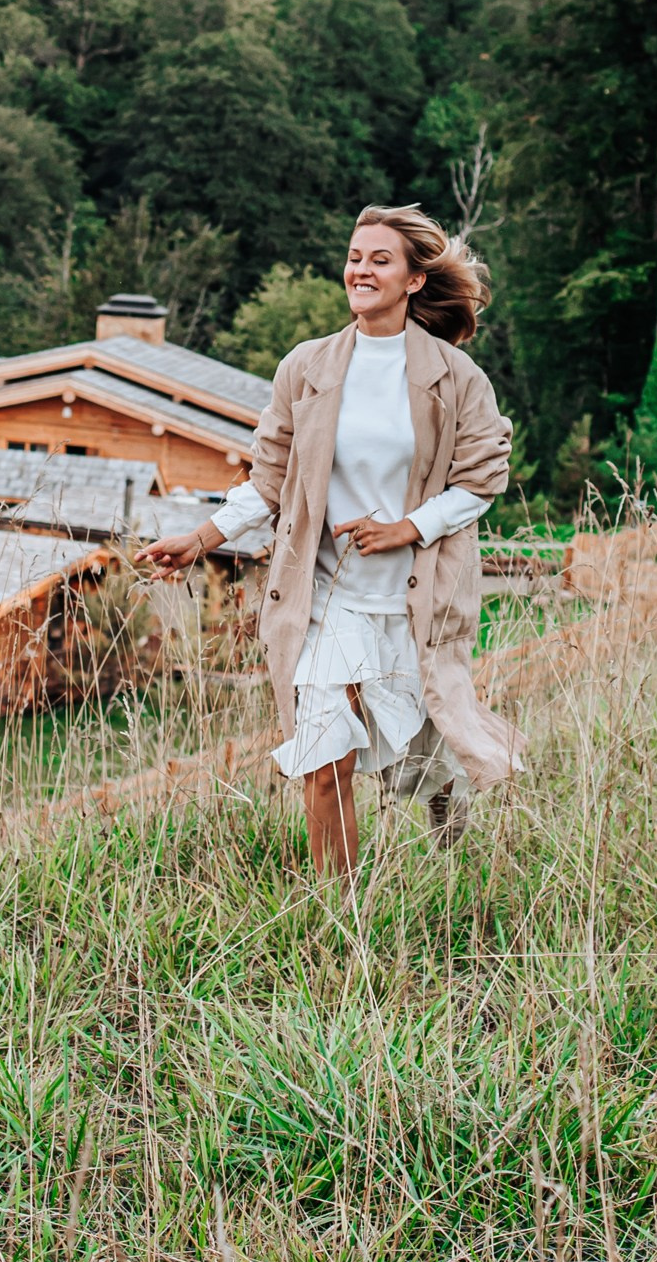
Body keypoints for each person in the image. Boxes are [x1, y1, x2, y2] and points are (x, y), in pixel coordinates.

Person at [139, 204, 521, 876]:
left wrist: (409, 527)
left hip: (411, 603)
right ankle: (335, 909)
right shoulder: (306, 367)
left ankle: (446, 793)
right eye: (355, 257)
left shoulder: (457, 378)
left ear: (412, 280)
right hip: (325, 599)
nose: (361, 270)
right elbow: (270, 482)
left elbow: (482, 481)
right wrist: (200, 538)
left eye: (380, 260)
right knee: (323, 759)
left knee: (419, 755)